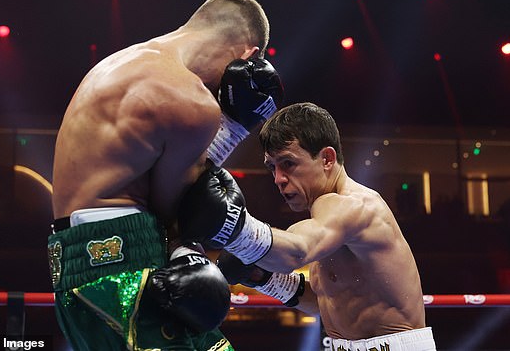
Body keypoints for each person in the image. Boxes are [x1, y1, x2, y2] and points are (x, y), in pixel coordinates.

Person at [48, 0, 284, 351]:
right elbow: (181, 211)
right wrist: (234, 127)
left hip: (77, 263)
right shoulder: (190, 101)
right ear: (248, 57)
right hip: (125, 263)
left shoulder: (119, 62)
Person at [178, 102, 437, 350]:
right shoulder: (326, 221)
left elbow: (295, 252)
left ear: (326, 159)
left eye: (288, 163)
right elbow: (326, 300)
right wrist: (262, 278)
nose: (278, 179)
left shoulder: (355, 207)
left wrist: (233, 224)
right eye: (272, 167)